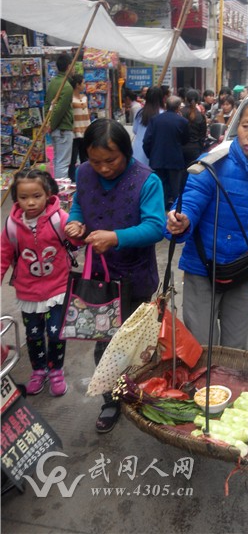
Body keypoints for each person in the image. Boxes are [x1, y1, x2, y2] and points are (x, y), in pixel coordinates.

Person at [64, 118, 166, 433]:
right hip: (101, 280)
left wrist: (116, 237)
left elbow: (155, 227)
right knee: (105, 345)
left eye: (111, 160)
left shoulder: (147, 180)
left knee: (138, 346)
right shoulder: (83, 175)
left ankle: (144, 395)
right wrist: (75, 224)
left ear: (126, 151)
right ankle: (112, 400)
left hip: (136, 277)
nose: (104, 168)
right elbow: (79, 207)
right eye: (96, 162)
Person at [165, 97, 248, 350]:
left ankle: (227, 388)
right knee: (201, 347)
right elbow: (191, 200)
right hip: (203, 269)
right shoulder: (213, 163)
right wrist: (180, 219)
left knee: (235, 348)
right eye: (246, 126)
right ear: (236, 125)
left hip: (243, 271)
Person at [0, 169, 78, 396]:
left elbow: (75, 240)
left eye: (36, 196)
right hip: (28, 293)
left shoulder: (59, 218)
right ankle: (38, 370)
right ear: (16, 198)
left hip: (58, 288)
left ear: (48, 194)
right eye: (24, 198)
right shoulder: (12, 225)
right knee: (33, 334)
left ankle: (56, 370)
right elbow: (4, 255)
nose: (30, 202)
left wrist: (78, 230)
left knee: (56, 333)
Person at [143, 95, 189, 210]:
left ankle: (160, 213)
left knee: (159, 189)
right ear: (178, 107)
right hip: (175, 160)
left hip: (157, 159)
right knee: (176, 190)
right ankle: (176, 213)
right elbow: (185, 140)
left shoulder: (155, 119)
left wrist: (151, 155)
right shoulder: (182, 121)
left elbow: (146, 141)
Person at [44, 53, 74, 179]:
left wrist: (48, 124)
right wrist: (51, 125)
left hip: (56, 129)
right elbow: (59, 109)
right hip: (62, 129)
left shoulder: (53, 82)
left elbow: (48, 106)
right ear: (68, 66)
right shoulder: (66, 86)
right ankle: (61, 193)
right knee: (62, 164)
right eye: (72, 66)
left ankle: (56, 190)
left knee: (57, 161)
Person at [132, 86, 164, 166]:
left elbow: (135, 130)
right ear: (162, 98)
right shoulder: (163, 114)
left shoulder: (140, 112)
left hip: (137, 152)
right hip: (154, 154)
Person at [68, 73, 90, 182]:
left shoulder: (85, 98)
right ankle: (72, 179)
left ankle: (85, 178)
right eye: (83, 83)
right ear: (77, 85)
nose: (85, 85)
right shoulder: (70, 98)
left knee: (84, 157)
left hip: (85, 131)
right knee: (72, 158)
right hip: (74, 132)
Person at [181, 89, 207, 167]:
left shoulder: (180, 113)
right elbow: (202, 135)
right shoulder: (200, 116)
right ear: (197, 100)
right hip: (195, 149)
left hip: (181, 148)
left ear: (185, 99)